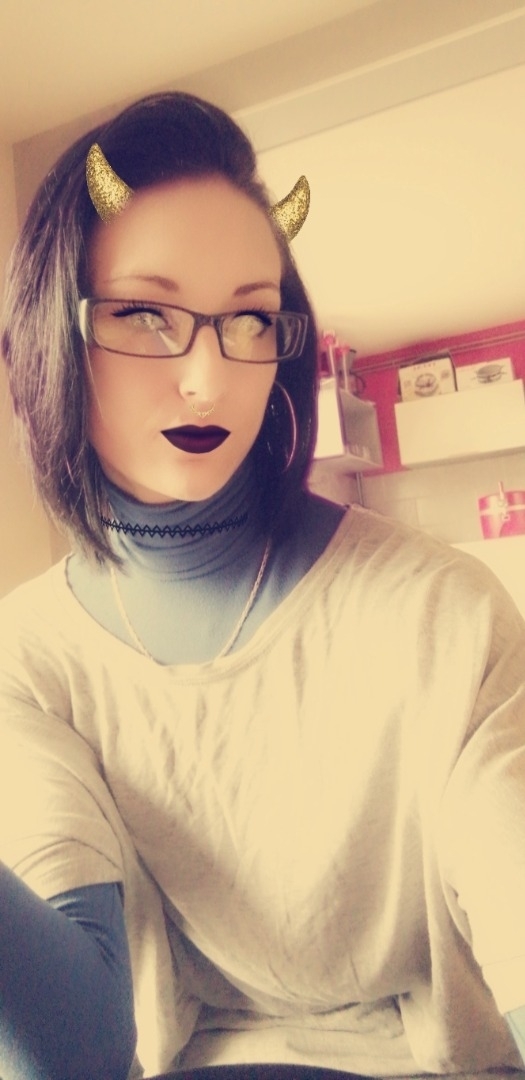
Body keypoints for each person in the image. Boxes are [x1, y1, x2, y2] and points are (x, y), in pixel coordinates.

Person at [0, 90, 525, 1080]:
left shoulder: (443, 614)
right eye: (145, 313)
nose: (211, 378)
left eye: (248, 318)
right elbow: (76, 1046)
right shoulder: (27, 658)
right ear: (50, 334)